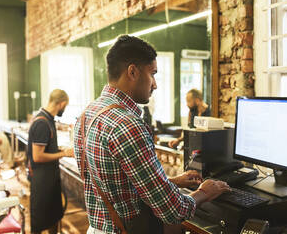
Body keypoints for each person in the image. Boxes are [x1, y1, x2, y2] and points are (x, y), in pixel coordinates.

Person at [73, 35, 230, 234]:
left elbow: (116, 187)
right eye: (152, 74)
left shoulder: (87, 114)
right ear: (132, 72)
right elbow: (173, 211)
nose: (155, 84)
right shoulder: (127, 125)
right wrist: (204, 192)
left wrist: (170, 182)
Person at [27, 89, 74, 234]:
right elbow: (38, 156)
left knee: (53, 217)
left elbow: (46, 147)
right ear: (61, 104)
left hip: (49, 178)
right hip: (42, 181)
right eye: (65, 106)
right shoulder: (42, 123)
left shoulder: (47, 119)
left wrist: (59, 148)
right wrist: (64, 153)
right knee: (40, 221)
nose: (64, 109)